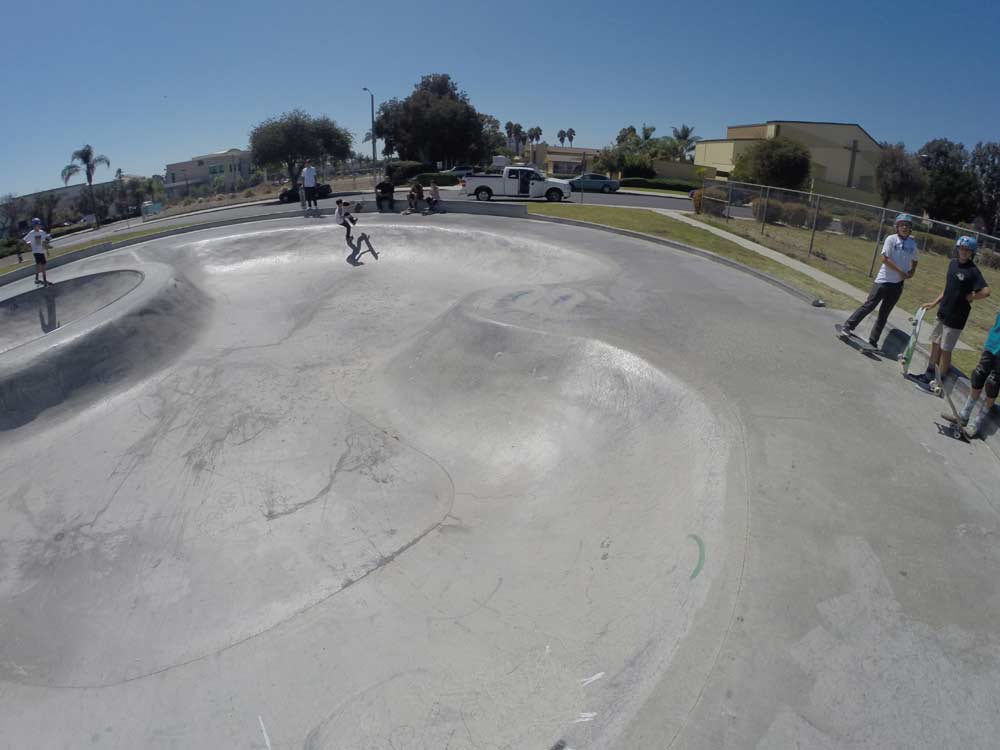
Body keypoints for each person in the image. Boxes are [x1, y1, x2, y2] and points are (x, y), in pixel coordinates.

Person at [917, 235, 991, 391]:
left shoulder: (973, 271)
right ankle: (929, 373)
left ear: (972, 253)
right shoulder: (952, 264)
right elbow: (947, 288)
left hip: (956, 316)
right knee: (935, 343)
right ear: (958, 249)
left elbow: (986, 291)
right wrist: (934, 303)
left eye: (967, 250)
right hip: (943, 311)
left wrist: (972, 296)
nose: (964, 251)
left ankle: (939, 382)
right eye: (962, 248)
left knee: (946, 349)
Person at [840, 213, 918, 348]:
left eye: (907, 225)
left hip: (898, 285)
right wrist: (900, 272)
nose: (904, 227)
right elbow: (885, 259)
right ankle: (848, 326)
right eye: (901, 225)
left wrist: (912, 271)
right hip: (883, 281)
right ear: (897, 227)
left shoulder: (912, 243)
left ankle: (873, 340)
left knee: (884, 313)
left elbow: (915, 259)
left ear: (910, 228)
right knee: (869, 305)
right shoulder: (891, 239)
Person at [945, 310, 1000, 438]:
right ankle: (964, 414)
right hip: (993, 342)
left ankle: (977, 423)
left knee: (993, 383)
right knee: (978, 375)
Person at [23, 218, 52, 285]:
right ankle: (39, 279)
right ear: (34, 226)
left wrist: (47, 250)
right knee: (39, 264)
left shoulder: (42, 232)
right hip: (35, 251)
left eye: (39, 225)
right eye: (37, 225)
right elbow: (24, 240)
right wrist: (28, 245)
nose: (38, 226)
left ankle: (41, 279)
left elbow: (44, 241)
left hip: (41, 251)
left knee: (43, 265)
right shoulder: (31, 233)